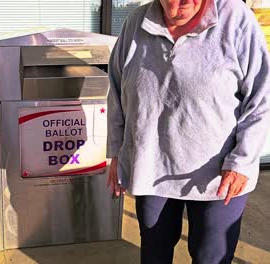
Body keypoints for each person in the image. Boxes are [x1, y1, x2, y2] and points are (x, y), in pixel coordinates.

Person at [106, 0, 270, 263]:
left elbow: (262, 97)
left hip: (218, 176)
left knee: (211, 256)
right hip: (152, 166)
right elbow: (116, 91)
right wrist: (116, 150)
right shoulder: (136, 22)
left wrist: (242, 160)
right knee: (154, 251)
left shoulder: (235, 18)